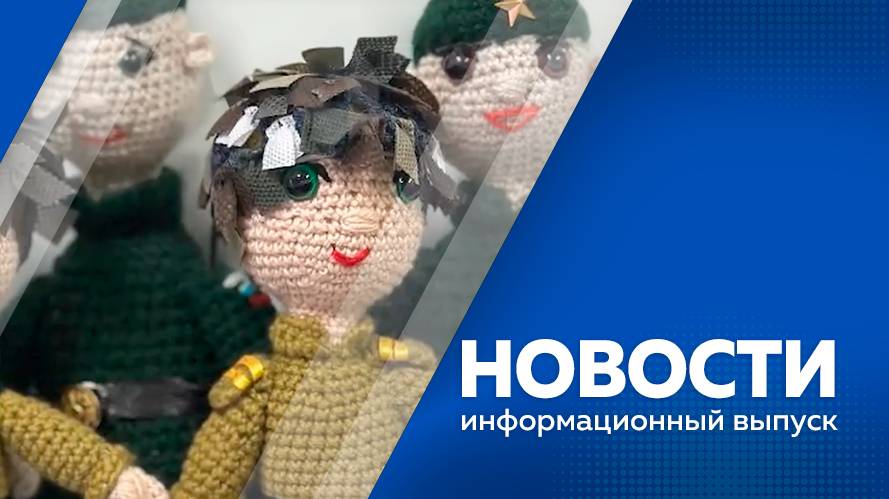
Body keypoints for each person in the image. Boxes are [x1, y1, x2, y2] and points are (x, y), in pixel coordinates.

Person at [1, 2, 274, 496]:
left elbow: (260, 370)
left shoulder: (192, 283)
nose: (91, 102)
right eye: (68, 73)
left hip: (173, 473)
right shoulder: (53, 294)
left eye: (130, 63)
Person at [171, 37, 454, 499]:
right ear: (237, 215)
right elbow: (207, 483)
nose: (361, 219)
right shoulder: (259, 388)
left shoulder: (404, 376)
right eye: (302, 181)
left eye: (398, 186)